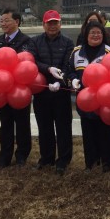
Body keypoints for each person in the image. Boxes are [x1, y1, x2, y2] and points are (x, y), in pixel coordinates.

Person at [30, 10, 74, 175]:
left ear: (60, 24)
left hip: (60, 91)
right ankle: (46, 157)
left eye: (55, 23)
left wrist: (59, 79)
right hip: (41, 91)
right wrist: (48, 69)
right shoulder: (35, 41)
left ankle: (63, 159)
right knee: (44, 127)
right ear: (44, 25)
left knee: (63, 127)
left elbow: (68, 64)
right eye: (49, 23)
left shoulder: (68, 42)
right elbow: (33, 61)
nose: (52, 26)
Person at [69, 21, 110, 172]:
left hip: (104, 99)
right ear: (86, 35)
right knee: (88, 132)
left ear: (103, 35)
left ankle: (108, 163)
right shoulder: (76, 52)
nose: (96, 35)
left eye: (99, 33)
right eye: (92, 33)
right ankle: (90, 163)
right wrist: (73, 80)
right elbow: (69, 69)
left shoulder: (109, 52)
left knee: (106, 132)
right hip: (85, 99)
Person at [0, 8, 32, 168]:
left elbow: (27, 65)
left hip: (19, 91)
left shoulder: (26, 41)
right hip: (1, 91)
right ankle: (4, 156)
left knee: (22, 124)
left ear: (17, 22)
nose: (3, 23)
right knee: (5, 124)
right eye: (2, 20)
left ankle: (21, 156)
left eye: (7, 20)